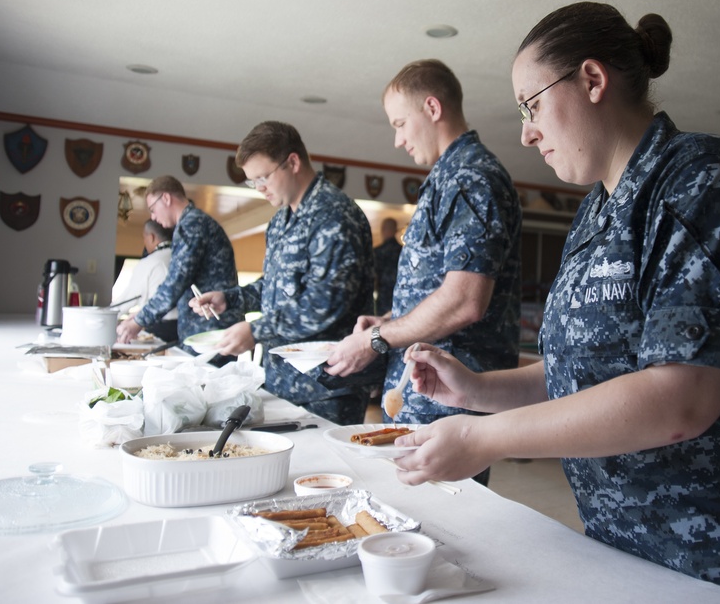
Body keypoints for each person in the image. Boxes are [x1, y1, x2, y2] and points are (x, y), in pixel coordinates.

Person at [390, 2, 720, 604]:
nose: (526, 131)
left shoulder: (708, 181)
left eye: (531, 105)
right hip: (646, 555)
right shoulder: (595, 213)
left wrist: (484, 439)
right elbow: (586, 375)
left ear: (592, 79)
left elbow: (681, 395)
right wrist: (476, 391)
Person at [326, 59, 522, 471]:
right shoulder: (449, 177)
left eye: (399, 124)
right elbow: (437, 290)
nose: (397, 140)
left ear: (432, 109)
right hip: (424, 392)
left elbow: (465, 302)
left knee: (440, 527)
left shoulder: (470, 178)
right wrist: (388, 320)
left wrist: (376, 340)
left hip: (449, 396)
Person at [190, 121, 379, 425]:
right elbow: (275, 288)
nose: (259, 187)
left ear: (293, 162)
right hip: (281, 380)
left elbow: (324, 301)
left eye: (263, 177)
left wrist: (255, 331)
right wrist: (230, 299)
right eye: (252, 182)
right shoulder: (280, 221)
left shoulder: (334, 215)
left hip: (327, 386)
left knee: (325, 472)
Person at [116, 175, 243, 358]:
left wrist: (139, 320)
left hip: (210, 331)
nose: (153, 217)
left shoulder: (192, 224)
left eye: (152, 209)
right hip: (206, 329)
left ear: (166, 198)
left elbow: (176, 281)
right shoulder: (192, 223)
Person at [111, 219, 178, 342]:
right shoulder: (182, 258)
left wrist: (106, 315)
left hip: (159, 329)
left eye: (144, 238)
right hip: (184, 328)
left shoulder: (149, 262)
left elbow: (128, 300)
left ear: (151, 237)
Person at [372, 218, 402, 316]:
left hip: (383, 300)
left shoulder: (377, 252)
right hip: (401, 299)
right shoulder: (404, 252)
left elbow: (373, 279)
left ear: (382, 229)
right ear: (396, 230)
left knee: (379, 328)